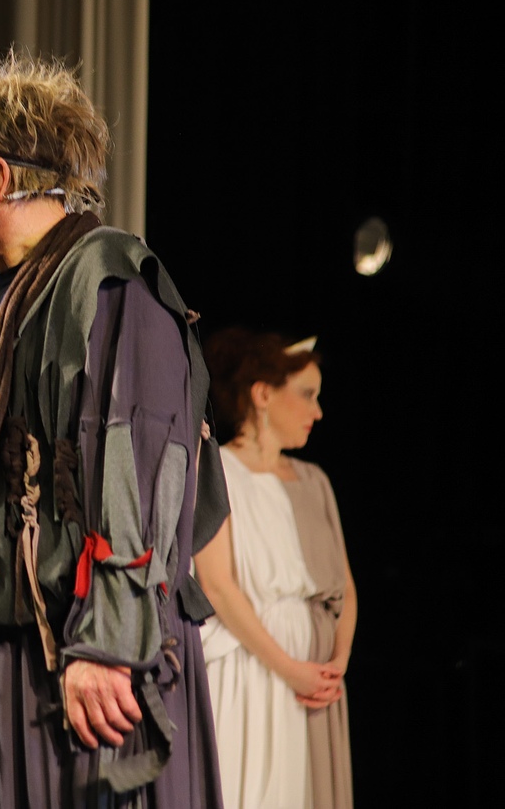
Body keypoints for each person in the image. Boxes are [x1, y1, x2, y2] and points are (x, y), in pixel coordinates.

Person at [0, 49, 227, 807]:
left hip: (85, 669)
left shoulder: (109, 284)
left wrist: (106, 647)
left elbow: (140, 478)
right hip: (0, 668)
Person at [193, 328, 357, 808]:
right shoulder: (216, 470)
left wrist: (337, 664)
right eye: (307, 395)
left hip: (315, 684)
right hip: (252, 671)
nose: (317, 412)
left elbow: (345, 588)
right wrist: (289, 669)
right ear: (262, 394)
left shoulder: (314, 480)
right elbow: (218, 586)